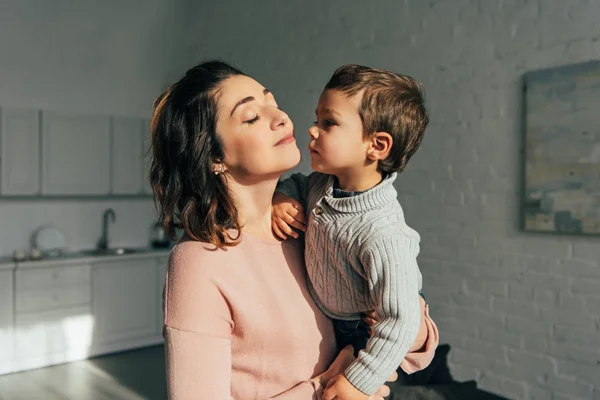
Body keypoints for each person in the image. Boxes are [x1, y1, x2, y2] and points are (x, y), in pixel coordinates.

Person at [149, 60, 400, 399]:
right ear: (213, 156)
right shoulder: (199, 263)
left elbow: (412, 346)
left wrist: (405, 326)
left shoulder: (313, 224)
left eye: (273, 102)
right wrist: (327, 388)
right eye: (252, 116)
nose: (280, 117)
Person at [272, 65, 439, 399]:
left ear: (376, 146)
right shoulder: (322, 184)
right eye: (317, 119)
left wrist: (358, 381)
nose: (312, 130)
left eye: (329, 123)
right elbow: (297, 182)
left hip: (369, 331)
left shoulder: (383, 234)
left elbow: (399, 322)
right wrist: (282, 196)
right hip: (335, 321)